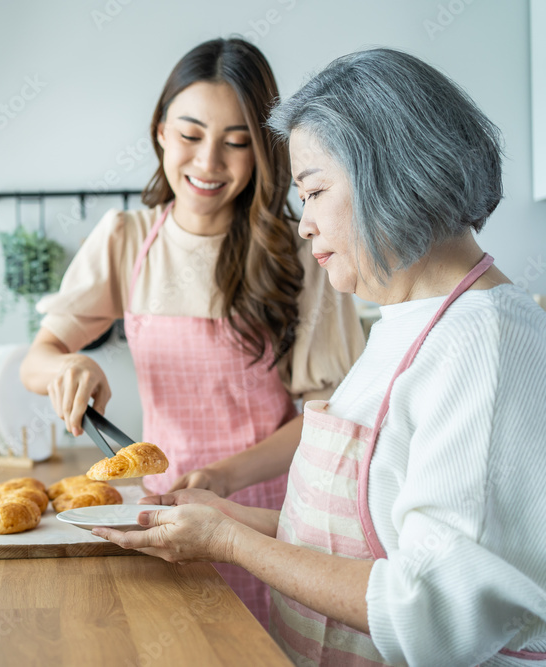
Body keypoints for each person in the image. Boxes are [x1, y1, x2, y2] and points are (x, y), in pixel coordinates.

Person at [93, 48, 546, 666]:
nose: (303, 225)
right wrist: (221, 518)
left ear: (390, 174)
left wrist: (229, 540)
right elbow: (362, 545)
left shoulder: (486, 343)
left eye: (314, 191)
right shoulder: (408, 321)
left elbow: (433, 613)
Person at [19, 38, 364, 628]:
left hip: (271, 523)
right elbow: (38, 358)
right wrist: (68, 368)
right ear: (159, 130)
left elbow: (326, 416)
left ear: (262, 153)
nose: (207, 164)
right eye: (190, 135)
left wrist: (227, 477)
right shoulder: (126, 238)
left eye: (236, 143)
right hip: (162, 521)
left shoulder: (301, 253)